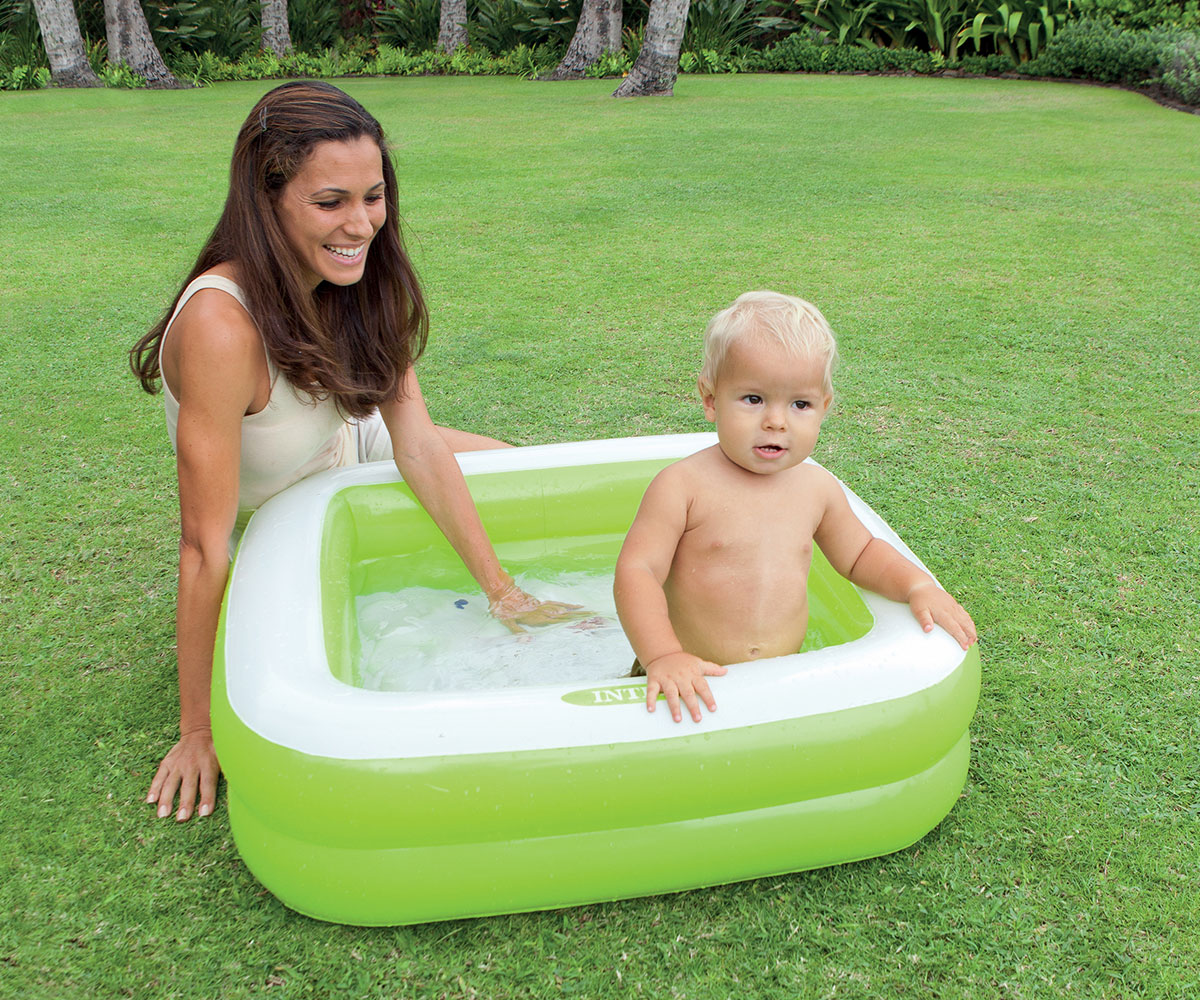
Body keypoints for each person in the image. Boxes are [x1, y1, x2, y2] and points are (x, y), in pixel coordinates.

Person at [131, 81, 584, 822]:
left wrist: (504, 592)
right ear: (267, 198)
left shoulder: (361, 279)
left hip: (350, 441)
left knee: (509, 470)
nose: (361, 223)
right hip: (278, 518)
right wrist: (197, 729)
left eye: (374, 197)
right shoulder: (221, 327)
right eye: (330, 201)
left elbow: (418, 443)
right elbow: (203, 545)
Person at [613, 291, 977, 724]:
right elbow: (638, 571)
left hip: (780, 680)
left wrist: (917, 586)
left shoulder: (817, 489)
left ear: (824, 408)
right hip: (684, 677)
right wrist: (662, 655)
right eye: (753, 399)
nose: (776, 421)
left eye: (800, 404)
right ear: (710, 399)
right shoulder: (682, 486)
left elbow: (861, 554)